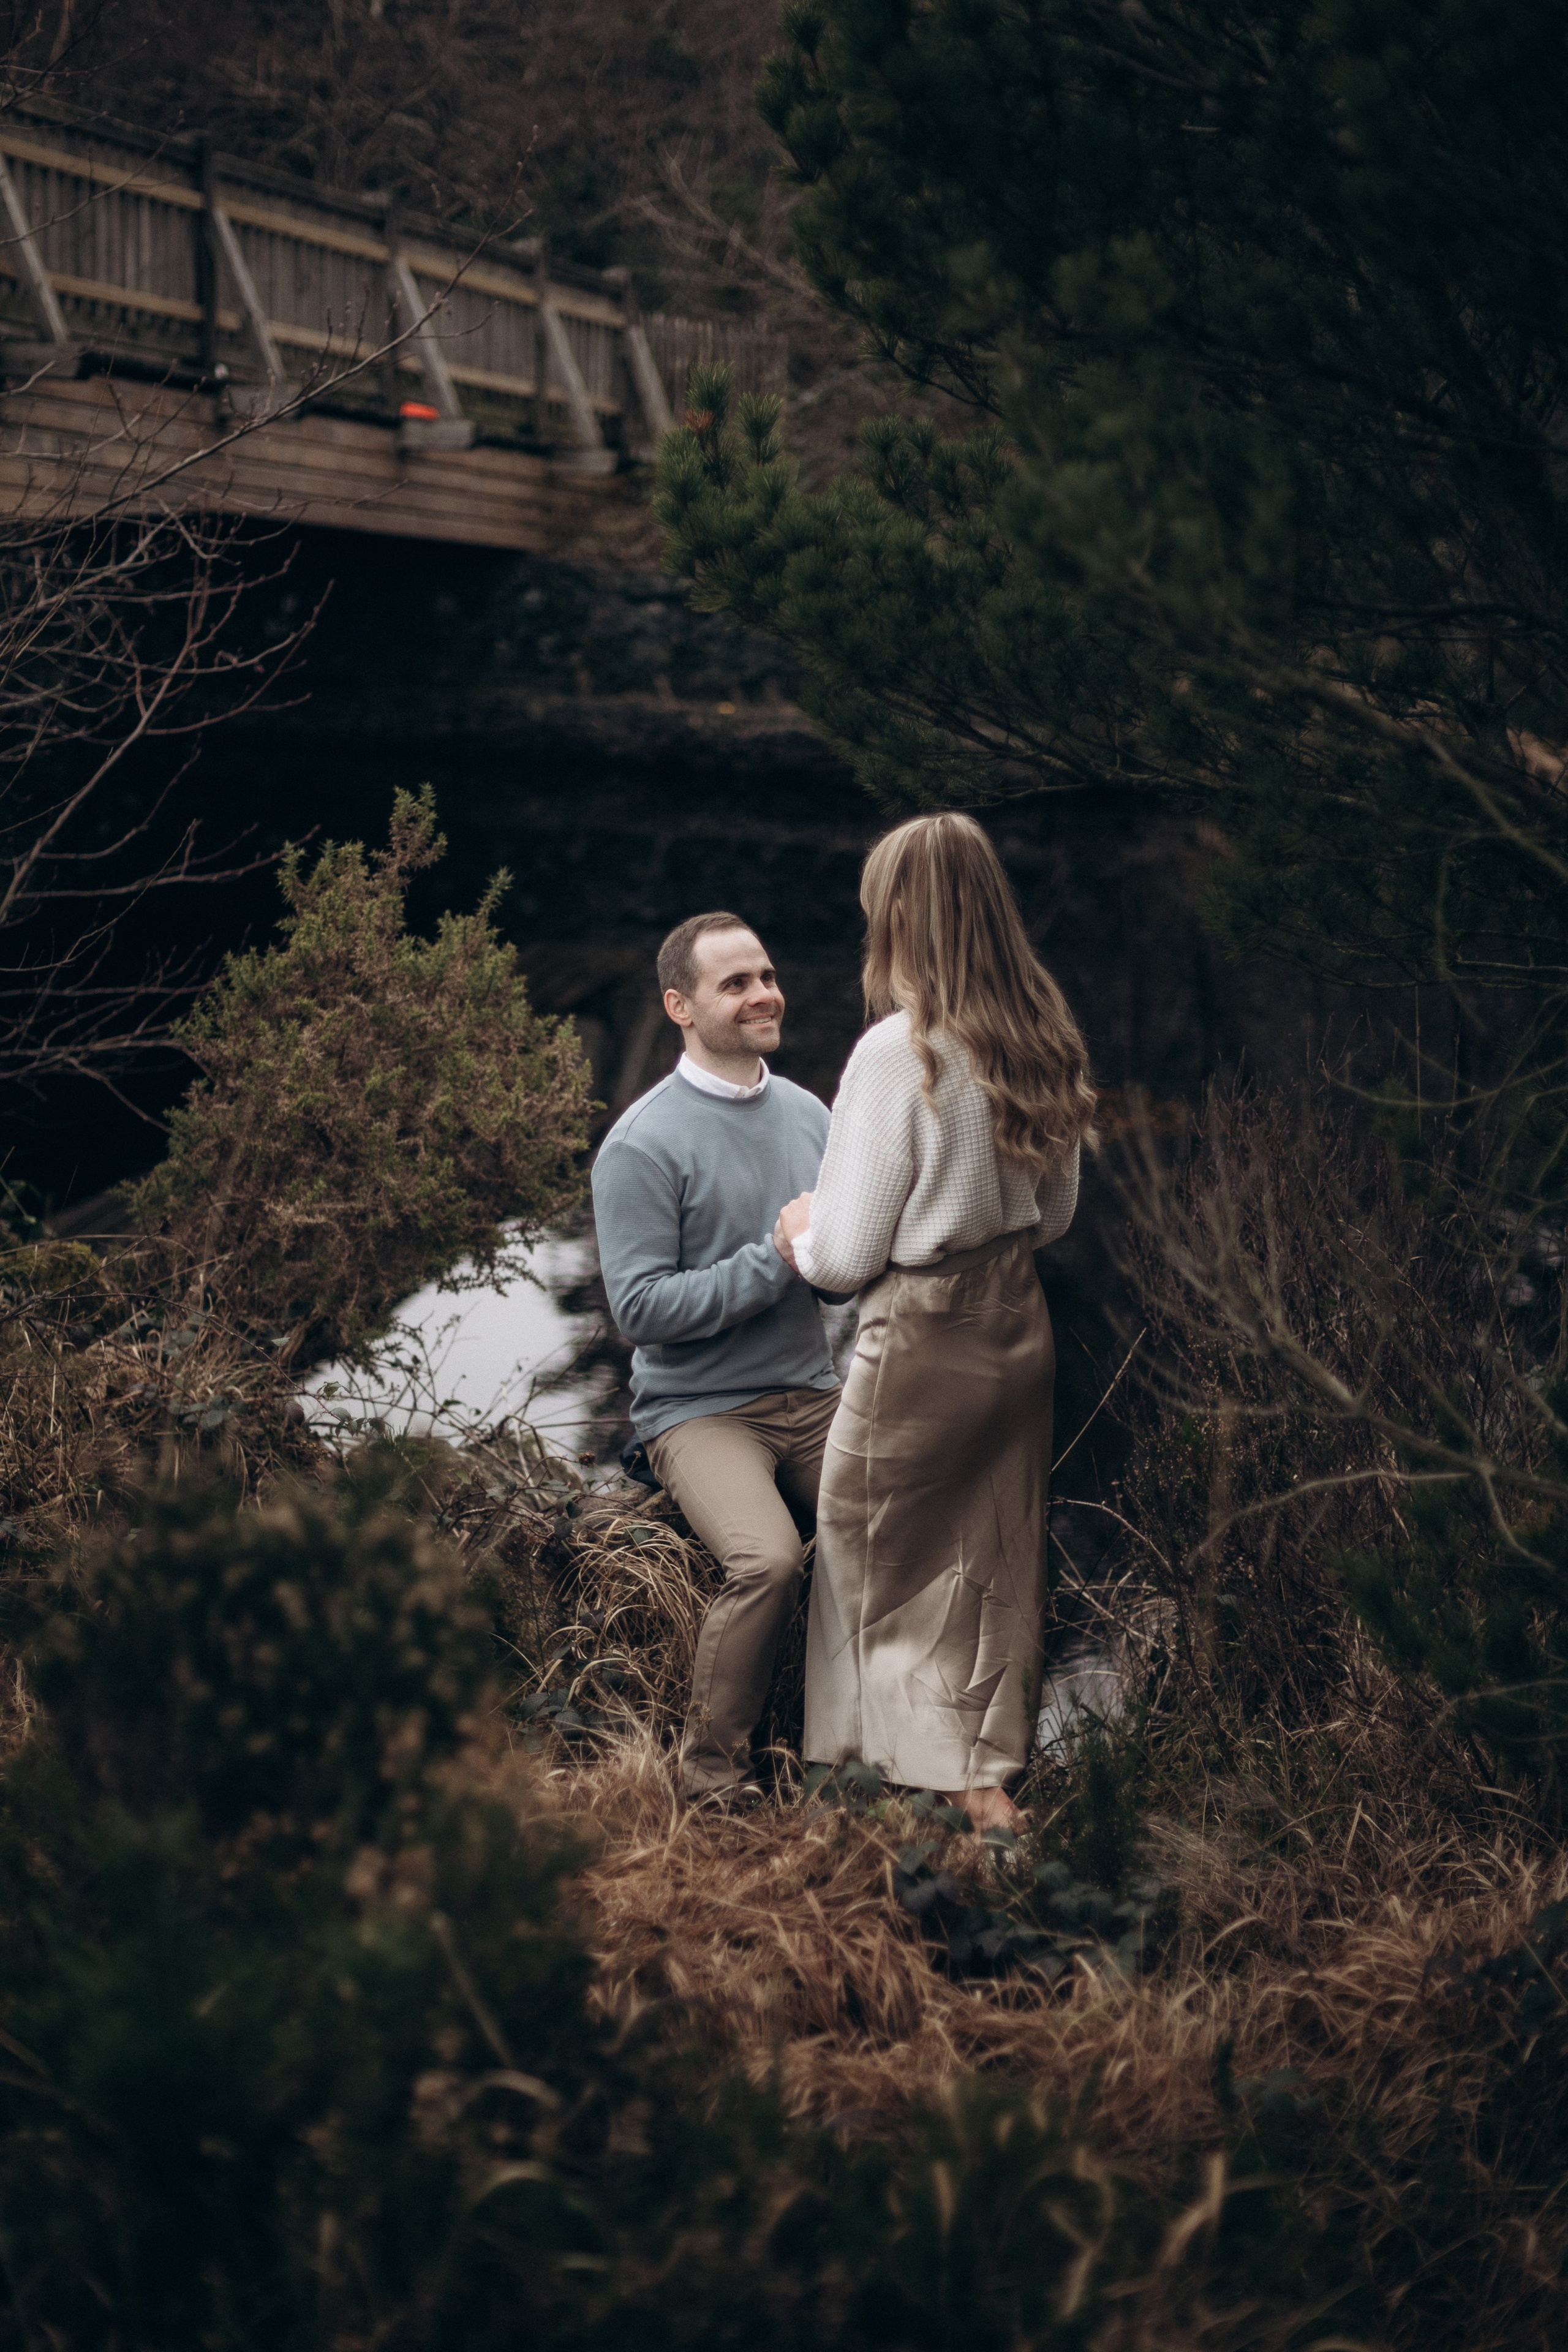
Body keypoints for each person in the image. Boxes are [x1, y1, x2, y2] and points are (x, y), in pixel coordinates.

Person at [774, 813, 1095, 1834]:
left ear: (905, 915)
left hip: (921, 1338)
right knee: (988, 1563)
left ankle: (937, 1801)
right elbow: (1056, 1216)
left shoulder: (897, 1053)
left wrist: (798, 1229)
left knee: (873, 1558)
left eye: (879, 907)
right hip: (1015, 1327)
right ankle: (978, 1765)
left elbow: (845, 1257)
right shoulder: (1041, 1032)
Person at [592, 911, 840, 1805]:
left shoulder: (812, 1116)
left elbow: (835, 1278)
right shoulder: (642, 1143)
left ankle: (862, 1761)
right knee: (768, 1559)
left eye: (766, 975)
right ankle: (711, 1780)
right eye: (735, 983)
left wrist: (840, 1261)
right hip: (699, 1412)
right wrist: (773, 1260)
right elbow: (640, 1310)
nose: (763, 993)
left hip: (812, 1394)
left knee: (897, 1530)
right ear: (680, 1007)